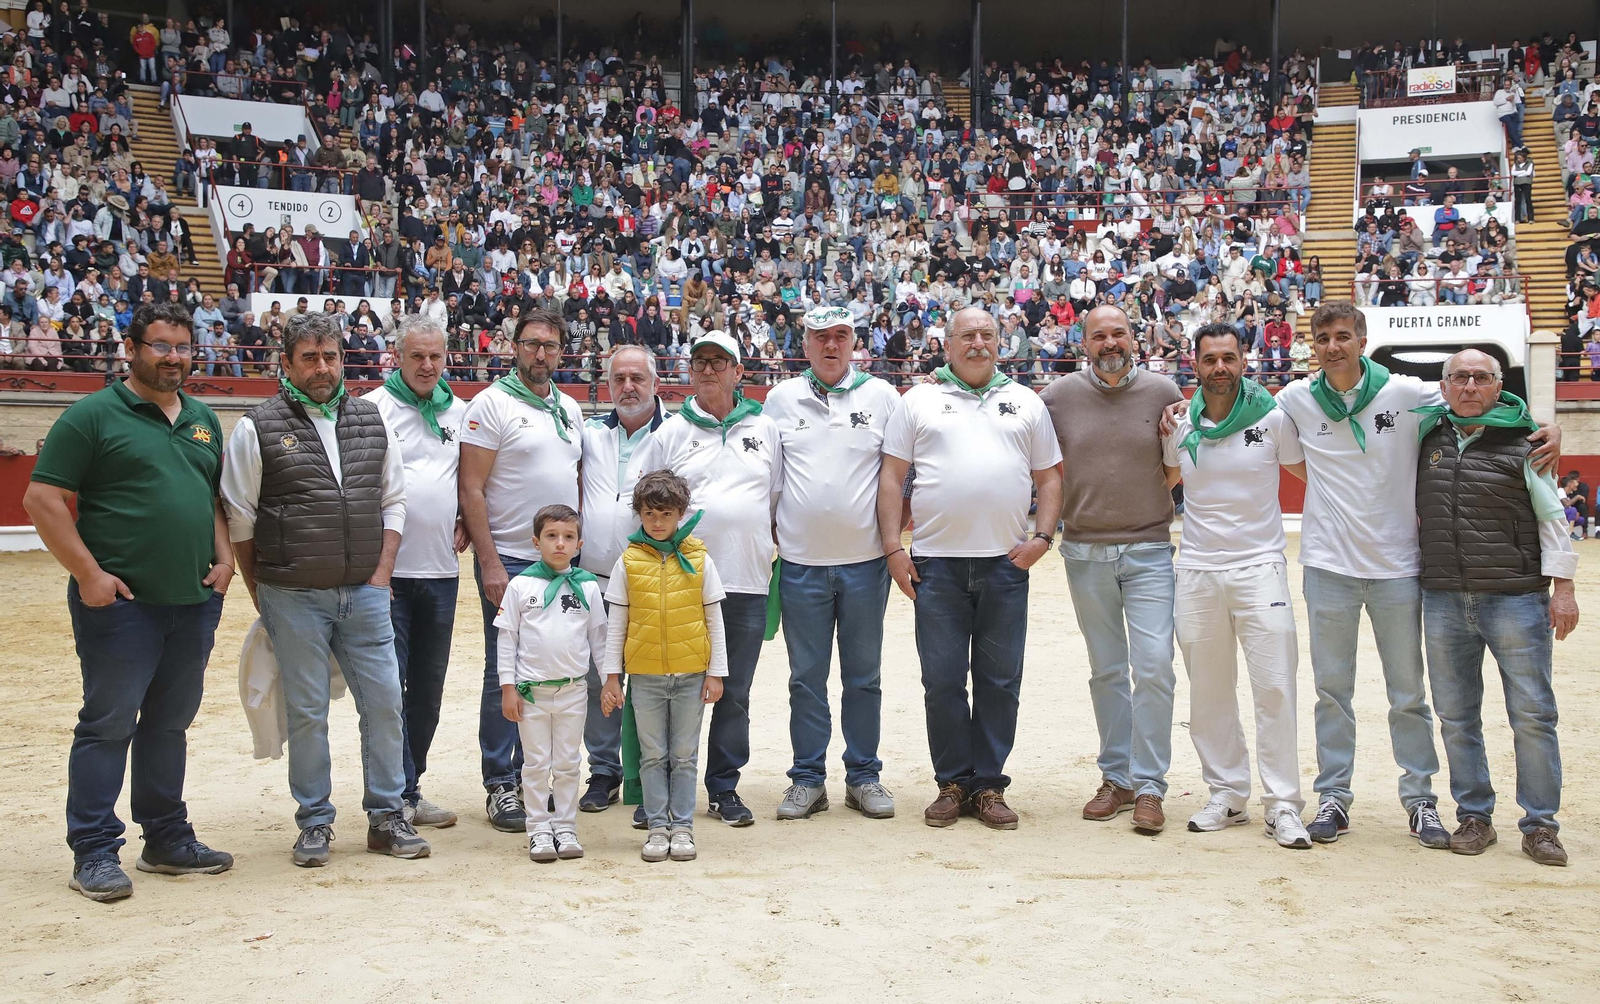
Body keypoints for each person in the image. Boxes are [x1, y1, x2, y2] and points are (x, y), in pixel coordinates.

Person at [1274, 302, 1560, 846]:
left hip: (1399, 568)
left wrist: (1547, 426)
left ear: (1361, 339)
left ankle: (1420, 800)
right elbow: (1268, 436)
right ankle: (1334, 797)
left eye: (1343, 336)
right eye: (1324, 338)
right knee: (1332, 692)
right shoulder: (1296, 398)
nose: (1333, 346)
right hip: (1327, 565)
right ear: (1314, 345)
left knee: (1408, 693)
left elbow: (1478, 397)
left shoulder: (1407, 392)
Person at [24, 303, 233, 902]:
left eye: (182, 347)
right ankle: (92, 849)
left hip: (192, 599)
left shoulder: (201, 418)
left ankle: (166, 838)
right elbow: (42, 500)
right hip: (122, 604)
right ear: (131, 348)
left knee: (169, 724)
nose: (173, 358)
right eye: (161, 346)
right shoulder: (91, 416)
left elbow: (210, 498)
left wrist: (224, 560)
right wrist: (89, 574)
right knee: (108, 723)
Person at [221, 311, 427, 866]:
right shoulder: (256, 425)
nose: (322, 367)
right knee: (308, 710)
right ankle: (314, 821)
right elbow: (240, 518)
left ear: (343, 359)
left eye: (331, 356)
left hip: (364, 592)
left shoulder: (369, 419)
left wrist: (382, 575)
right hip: (292, 594)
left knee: (385, 704)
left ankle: (387, 816)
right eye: (309, 357)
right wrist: (259, 590)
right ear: (285, 363)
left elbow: (393, 501)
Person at [878, 306, 1062, 829]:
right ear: (948, 343)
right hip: (935, 566)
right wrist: (895, 549)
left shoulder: (1025, 401)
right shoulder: (918, 400)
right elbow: (892, 479)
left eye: (987, 335)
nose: (978, 343)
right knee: (941, 681)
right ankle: (952, 783)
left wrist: (1043, 539)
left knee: (1000, 681)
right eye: (967, 335)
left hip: (1005, 565)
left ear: (1001, 342)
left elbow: (1049, 479)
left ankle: (988, 785)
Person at [1415, 350, 1579, 866]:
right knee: (1457, 716)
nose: (1469, 386)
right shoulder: (1423, 438)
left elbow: (1553, 520)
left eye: (1481, 377)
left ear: (1498, 385)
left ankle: (1540, 825)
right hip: (1443, 596)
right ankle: (1474, 816)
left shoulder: (1526, 441)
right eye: (1459, 377)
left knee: (1532, 715)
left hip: (1515, 598)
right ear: (1443, 387)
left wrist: (1565, 589)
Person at [1159, 323, 1312, 849]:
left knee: (1275, 685)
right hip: (1197, 570)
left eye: (1228, 358)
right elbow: (1163, 483)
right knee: (1208, 690)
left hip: (1260, 567)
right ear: (1194, 364)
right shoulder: (1179, 424)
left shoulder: (1273, 419)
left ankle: (1284, 804)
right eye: (1209, 360)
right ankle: (1226, 792)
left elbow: (1316, 475)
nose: (1219, 368)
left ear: (1244, 361)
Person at [1039, 305, 1183, 834]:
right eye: (1098, 335)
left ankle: (1149, 787)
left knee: (1153, 668)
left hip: (1147, 550)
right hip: (1083, 552)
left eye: (1118, 333)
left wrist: (1133, 506)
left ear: (1134, 336)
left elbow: (1172, 469)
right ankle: (1116, 778)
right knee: (1106, 671)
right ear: (1084, 342)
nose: (1109, 343)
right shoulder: (1057, 397)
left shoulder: (1164, 392)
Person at [631, 330, 780, 827]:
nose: (710, 369)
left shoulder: (766, 429)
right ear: (690, 371)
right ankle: (660, 793)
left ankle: (723, 787)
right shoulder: (671, 432)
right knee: (667, 686)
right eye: (701, 362)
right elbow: (643, 500)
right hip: (681, 583)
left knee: (733, 691)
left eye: (721, 361)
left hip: (746, 579)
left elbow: (774, 499)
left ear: (740, 372)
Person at [764, 304, 902, 820]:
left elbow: (898, 477)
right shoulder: (779, 400)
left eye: (841, 336)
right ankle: (808, 778)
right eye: (821, 336)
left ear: (854, 342)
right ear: (805, 343)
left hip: (866, 564)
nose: (831, 345)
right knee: (806, 677)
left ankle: (864, 775)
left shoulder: (883, 396)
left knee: (864, 676)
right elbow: (770, 481)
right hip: (800, 565)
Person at [459, 306, 583, 832]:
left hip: (559, 559)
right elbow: (471, 487)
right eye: (532, 343)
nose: (540, 354)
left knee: (556, 667)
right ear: (514, 346)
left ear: (560, 352)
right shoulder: (490, 404)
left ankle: (542, 778)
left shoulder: (570, 408)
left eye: (550, 346)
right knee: (504, 671)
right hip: (511, 559)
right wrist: (489, 561)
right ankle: (500, 783)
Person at [365, 317, 468, 829]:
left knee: (427, 689)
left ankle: (410, 786)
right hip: (387, 576)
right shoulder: (371, 409)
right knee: (389, 689)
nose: (427, 366)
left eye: (435, 357)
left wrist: (467, 518)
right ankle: (393, 793)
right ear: (396, 357)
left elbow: (471, 480)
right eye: (416, 357)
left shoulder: (459, 412)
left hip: (442, 571)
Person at [598, 470, 729, 862]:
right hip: (646, 676)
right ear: (639, 514)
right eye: (650, 514)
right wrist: (612, 676)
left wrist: (716, 672)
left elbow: (714, 619)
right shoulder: (628, 562)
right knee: (653, 753)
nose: (658, 522)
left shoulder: (700, 558)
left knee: (685, 753)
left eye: (667, 514)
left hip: (691, 674)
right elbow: (617, 623)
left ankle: (683, 827)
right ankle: (657, 825)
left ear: (680, 514)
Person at [576, 344, 666, 814]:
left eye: (637, 378)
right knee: (599, 681)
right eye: (619, 379)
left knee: (652, 682)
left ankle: (649, 773)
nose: (628, 387)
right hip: (594, 578)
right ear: (607, 384)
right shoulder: (589, 434)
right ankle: (604, 770)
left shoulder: (676, 434)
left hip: (651, 581)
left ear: (655, 381)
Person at [495, 504, 608, 863]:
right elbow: (507, 639)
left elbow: (600, 640)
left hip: (573, 690)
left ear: (579, 543)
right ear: (536, 541)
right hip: (531, 692)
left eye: (568, 537)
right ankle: (539, 829)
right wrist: (508, 687)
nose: (560, 543)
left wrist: (609, 682)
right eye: (551, 536)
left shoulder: (588, 586)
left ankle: (565, 825)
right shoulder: (520, 585)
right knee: (535, 762)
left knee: (568, 761)